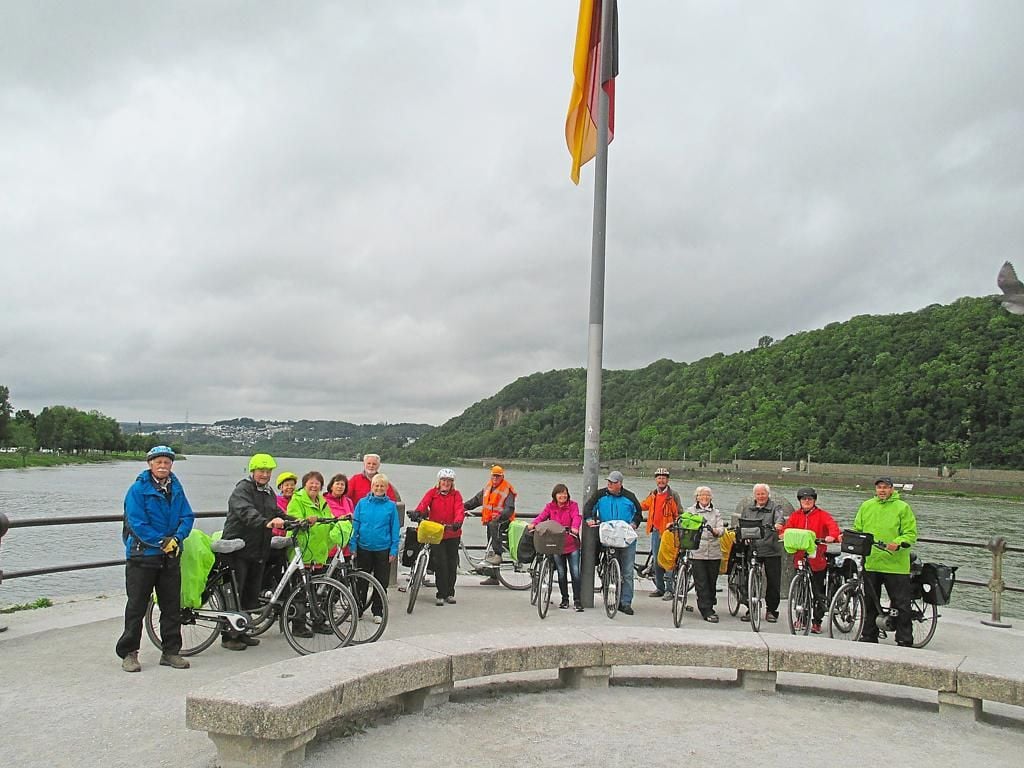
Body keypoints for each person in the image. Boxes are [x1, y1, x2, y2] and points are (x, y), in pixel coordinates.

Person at [116, 445, 194, 672]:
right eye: (158, 462)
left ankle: (170, 652)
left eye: (167, 462)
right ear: (150, 464)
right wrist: (161, 541)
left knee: (171, 607)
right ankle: (129, 653)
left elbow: (187, 516)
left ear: (171, 465)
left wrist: (177, 538)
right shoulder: (137, 490)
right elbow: (137, 522)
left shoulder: (177, 489)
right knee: (136, 607)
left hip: (170, 555)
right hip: (142, 555)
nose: (162, 466)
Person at [220, 453, 284, 651]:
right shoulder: (242, 489)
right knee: (235, 593)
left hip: (258, 550)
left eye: (268, 471)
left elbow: (276, 512)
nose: (265, 475)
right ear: (253, 471)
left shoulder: (269, 492)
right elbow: (245, 511)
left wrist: (294, 520)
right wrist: (265, 522)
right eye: (262, 471)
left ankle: (243, 630)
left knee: (250, 593)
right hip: (238, 548)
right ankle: (228, 636)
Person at [854, 477, 919, 647]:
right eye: (879, 487)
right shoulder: (866, 506)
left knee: (900, 603)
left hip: (895, 564)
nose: (882, 490)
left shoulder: (902, 508)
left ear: (891, 489)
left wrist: (898, 543)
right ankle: (869, 634)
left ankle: (904, 638)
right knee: (870, 601)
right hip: (872, 561)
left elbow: (910, 533)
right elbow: (858, 529)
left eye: (885, 487)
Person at [779, 487, 840, 634]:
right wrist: (782, 534)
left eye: (810, 499)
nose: (807, 501)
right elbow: (787, 529)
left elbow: (833, 527)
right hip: (800, 558)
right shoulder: (795, 516)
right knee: (800, 590)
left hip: (817, 559)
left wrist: (832, 536)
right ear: (799, 501)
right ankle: (801, 618)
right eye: (804, 499)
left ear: (814, 501)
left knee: (817, 591)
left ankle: (817, 622)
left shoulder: (822, 515)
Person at [582, 470, 643, 615]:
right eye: (608, 482)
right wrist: (589, 519)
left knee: (627, 571)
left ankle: (625, 602)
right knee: (610, 563)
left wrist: (634, 523)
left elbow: (638, 513)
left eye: (613, 482)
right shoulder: (600, 495)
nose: (609, 484)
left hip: (625, 537)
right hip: (608, 535)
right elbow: (588, 508)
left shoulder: (630, 497)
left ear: (620, 484)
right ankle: (608, 583)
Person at [285, 471, 333, 638]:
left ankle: (317, 621)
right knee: (299, 591)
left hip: (318, 553)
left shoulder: (323, 502)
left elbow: (330, 520)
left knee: (316, 591)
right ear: (305, 485)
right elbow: (292, 519)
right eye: (311, 483)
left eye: (317, 483)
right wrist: (304, 521)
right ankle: (298, 625)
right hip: (302, 552)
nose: (314, 486)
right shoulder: (297, 500)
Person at [351, 473, 401, 624]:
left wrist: (393, 549)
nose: (379, 488)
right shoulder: (362, 503)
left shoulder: (391, 506)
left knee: (381, 582)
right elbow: (355, 525)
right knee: (361, 581)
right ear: (371, 487)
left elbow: (395, 529)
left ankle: (377, 611)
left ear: (386, 488)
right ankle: (358, 609)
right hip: (363, 548)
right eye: (376, 485)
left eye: (382, 486)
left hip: (383, 549)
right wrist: (352, 545)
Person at [412, 468, 465, 606]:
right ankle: (441, 593)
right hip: (436, 533)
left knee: (451, 563)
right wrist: (418, 512)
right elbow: (424, 504)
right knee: (440, 563)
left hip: (452, 533)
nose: (446, 483)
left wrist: (458, 522)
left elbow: (460, 510)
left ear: (452, 483)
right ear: (439, 481)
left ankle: (450, 593)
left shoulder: (456, 495)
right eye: (444, 480)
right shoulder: (432, 493)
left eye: (449, 481)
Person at [737, 483, 787, 623]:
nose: (761, 496)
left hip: (771, 549)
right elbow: (742, 524)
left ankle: (771, 610)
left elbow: (780, 518)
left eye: (763, 493)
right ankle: (751, 609)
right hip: (753, 548)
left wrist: (777, 525)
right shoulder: (748, 509)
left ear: (768, 494)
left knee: (773, 581)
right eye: (758, 494)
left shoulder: (775, 508)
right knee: (750, 580)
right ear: (755, 495)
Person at [529, 483, 583, 611]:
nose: (563, 495)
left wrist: (575, 527)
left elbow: (576, 517)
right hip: (556, 544)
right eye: (560, 493)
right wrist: (533, 524)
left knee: (575, 572)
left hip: (571, 543)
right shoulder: (550, 507)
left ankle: (577, 601)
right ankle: (565, 599)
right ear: (555, 495)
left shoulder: (573, 505)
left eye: (565, 493)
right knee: (561, 572)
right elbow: (542, 517)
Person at [463, 465, 517, 584]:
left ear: (502, 476)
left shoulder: (507, 488)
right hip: (491, 522)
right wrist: (460, 507)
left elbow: (510, 508)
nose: (495, 478)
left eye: (498, 476)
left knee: (494, 547)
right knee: (490, 547)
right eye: (494, 475)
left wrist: (500, 515)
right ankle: (494, 577)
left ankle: (499, 555)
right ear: (491, 475)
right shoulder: (488, 487)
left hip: (503, 520)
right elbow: (475, 501)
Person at [639, 468, 683, 600]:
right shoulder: (653, 494)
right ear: (656, 480)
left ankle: (670, 590)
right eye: (659, 478)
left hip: (669, 533)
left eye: (664, 478)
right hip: (656, 531)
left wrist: (675, 526)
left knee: (668, 561)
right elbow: (643, 505)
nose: (661, 480)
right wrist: (630, 503)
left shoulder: (673, 495)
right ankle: (660, 588)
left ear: (667, 480)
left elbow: (679, 513)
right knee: (657, 560)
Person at [686, 486, 726, 622]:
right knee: (701, 581)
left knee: (711, 581)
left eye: (707, 495)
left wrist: (716, 531)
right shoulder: (691, 511)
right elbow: (684, 523)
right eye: (702, 495)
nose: (704, 497)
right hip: (698, 550)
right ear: (696, 497)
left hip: (714, 551)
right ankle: (706, 610)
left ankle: (710, 601)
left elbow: (722, 529)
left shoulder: (716, 512)